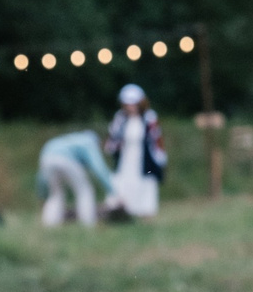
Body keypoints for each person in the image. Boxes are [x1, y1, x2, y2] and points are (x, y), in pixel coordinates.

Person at [103, 85, 166, 220]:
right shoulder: (120, 118)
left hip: (144, 158)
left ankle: (145, 212)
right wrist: (114, 147)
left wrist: (160, 157)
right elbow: (112, 139)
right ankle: (121, 211)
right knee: (122, 181)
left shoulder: (149, 118)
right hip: (126, 158)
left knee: (146, 182)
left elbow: (156, 139)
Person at [37, 130, 114, 225]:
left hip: (46, 158)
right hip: (66, 159)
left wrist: (41, 194)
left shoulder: (66, 140)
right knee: (84, 190)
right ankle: (88, 222)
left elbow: (41, 176)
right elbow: (99, 168)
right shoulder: (89, 141)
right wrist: (113, 190)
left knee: (55, 194)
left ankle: (49, 224)